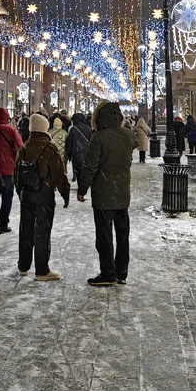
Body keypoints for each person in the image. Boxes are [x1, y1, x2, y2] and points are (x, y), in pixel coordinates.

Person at [77, 101, 135, 288]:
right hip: (122, 193)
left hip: (103, 194)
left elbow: (90, 166)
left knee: (104, 236)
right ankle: (121, 272)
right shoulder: (127, 135)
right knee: (123, 234)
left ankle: (108, 273)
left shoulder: (99, 137)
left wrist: (82, 189)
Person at [15, 113, 70, 281]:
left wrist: (21, 193)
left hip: (26, 194)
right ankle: (41, 270)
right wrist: (65, 192)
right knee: (42, 231)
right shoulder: (49, 147)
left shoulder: (23, 148)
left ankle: (23, 266)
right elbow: (58, 174)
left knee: (26, 230)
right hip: (44, 194)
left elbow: (15, 175)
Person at [66, 112, 92, 183]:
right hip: (87, 154)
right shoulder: (89, 129)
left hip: (76, 154)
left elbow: (69, 143)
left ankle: (80, 183)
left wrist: (69, 154)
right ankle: (84, 184)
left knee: (78, 171)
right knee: (85, 170)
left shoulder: (73, 129)